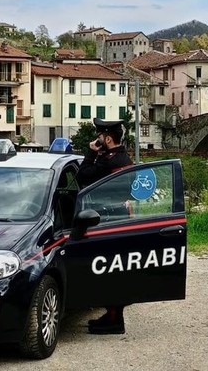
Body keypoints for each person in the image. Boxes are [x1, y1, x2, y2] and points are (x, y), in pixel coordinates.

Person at [75, 117, 133, 335]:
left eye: (99, 136)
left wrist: (91, 153)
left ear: (107, 139)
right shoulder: (122, 157)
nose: (97, 139)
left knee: (109, 271)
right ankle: (112, 315)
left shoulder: (108, 161)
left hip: (108, 221)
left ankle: (115, 320)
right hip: (120, 218)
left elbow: (82, 177)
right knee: (114, 269)